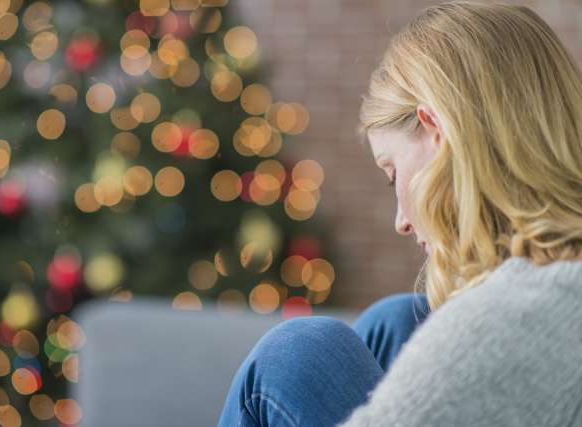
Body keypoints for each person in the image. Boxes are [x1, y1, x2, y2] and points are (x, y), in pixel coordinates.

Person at [217, 1, 582, 425]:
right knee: (398, 322)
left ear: (437, 134)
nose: (401, 221)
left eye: (393, 175)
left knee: (297, 352)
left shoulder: (508, 319)